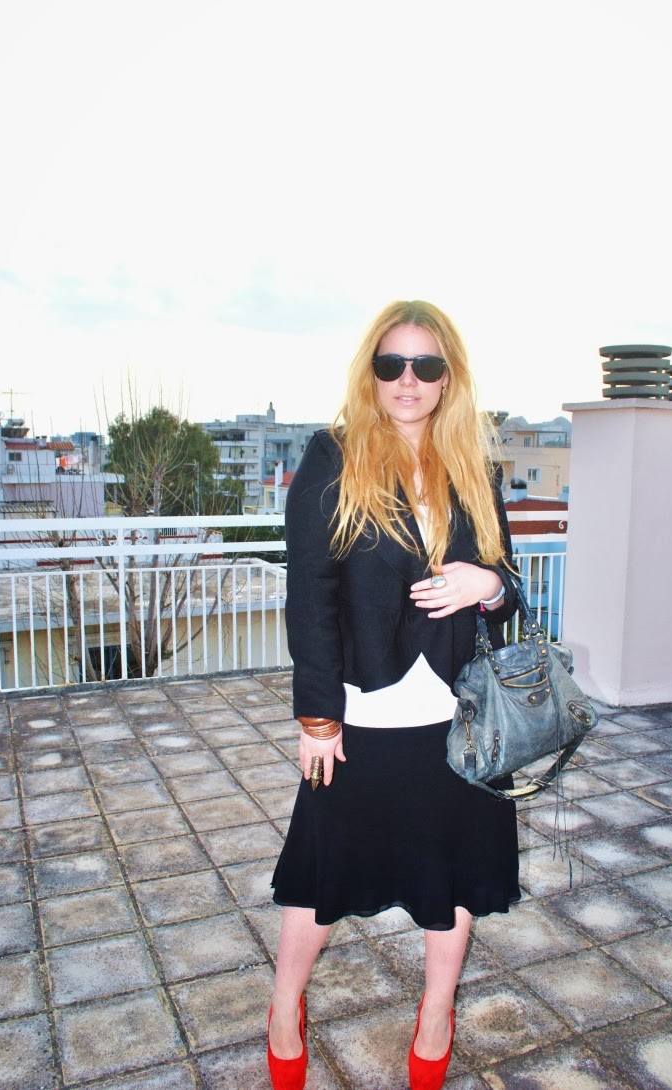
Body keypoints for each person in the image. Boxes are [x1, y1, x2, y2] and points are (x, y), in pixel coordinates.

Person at [267, 300, 520, 1090]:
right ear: (370, 374)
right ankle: (283, 1009)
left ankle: (436, 1014)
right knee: (319, 877)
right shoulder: (333, 458)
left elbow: (508, 587)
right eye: (391, 364)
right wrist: (318, 717)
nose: (407, 380)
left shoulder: (473, 466)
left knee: (457, 875)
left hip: (459, 720)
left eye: (425, 365)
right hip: (363, 712)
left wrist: (487, 585)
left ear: (448, 378)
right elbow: (309, 597)